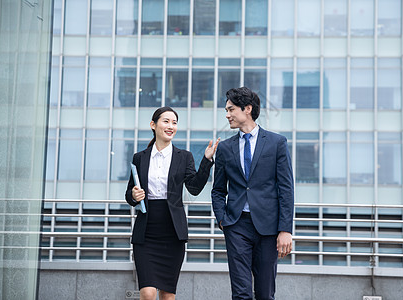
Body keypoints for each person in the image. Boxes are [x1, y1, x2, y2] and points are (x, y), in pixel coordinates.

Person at [125, 106, 219, 300]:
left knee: (168, 296)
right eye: (166, 121)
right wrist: (135, 195)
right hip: (146, 232)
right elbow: (129, 195)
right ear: (153, 125)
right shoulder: (139, 158)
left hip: (172, 232)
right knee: (148, 293)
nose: (171, 126)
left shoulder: (184, 157)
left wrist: (207, 161)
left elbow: (194, 188)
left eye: (174, 123)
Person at [211, 87, 294, 300]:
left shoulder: (277, 143)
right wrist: (223, 220)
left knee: (265, 293)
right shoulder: (225, 148)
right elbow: (218, 190)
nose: (227, 115)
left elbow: (286, 188)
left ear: (247, 109)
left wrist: (285, 229)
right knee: (241, 293)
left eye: (231, 109)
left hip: (268, 227)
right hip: (236, 225)